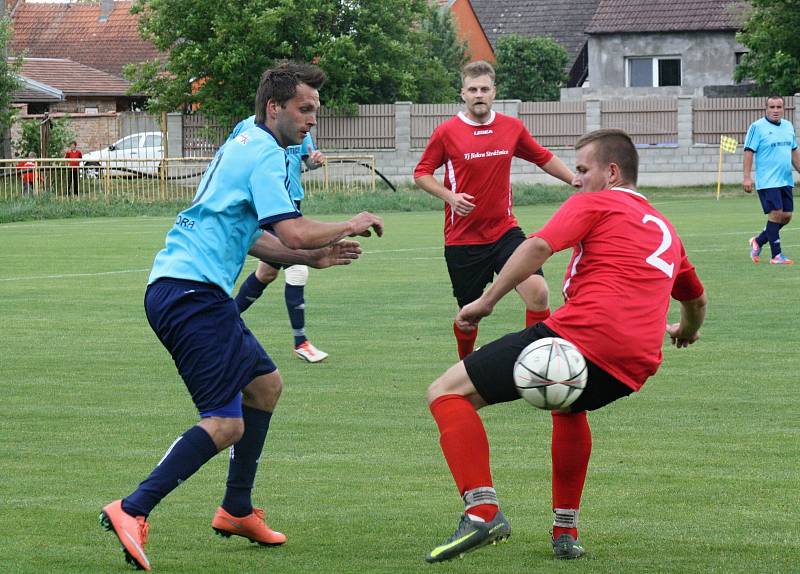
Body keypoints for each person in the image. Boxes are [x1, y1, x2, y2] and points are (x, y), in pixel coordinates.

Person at [99, 61, 383, 572]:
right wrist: (351, 222)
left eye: (315, 110)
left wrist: (312, 259)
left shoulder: (245, 136)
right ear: (274, 107)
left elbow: (254, 236)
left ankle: (235, 508)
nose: (311, 120)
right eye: (304, 109)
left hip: (184, 288)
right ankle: (132, 507)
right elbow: (291, 232)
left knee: (265, 386)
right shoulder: (267, 158)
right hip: (190, 295)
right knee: (225, 423)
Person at [424, 129, 707, 563]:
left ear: (611, 173)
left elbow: (537, 246)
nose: (575, 180)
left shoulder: (596, 202)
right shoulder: (666, 229)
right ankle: (566, 530)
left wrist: (486, 301)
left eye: (581, 170)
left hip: (584, 335)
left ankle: (482, 511)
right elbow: (695, 298)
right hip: (633, 367)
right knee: (570, 406)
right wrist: (685, 331)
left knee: (445, 392)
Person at [414, 60, 574, 361]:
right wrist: (450, 197)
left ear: (494, 92)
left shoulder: (511, 128)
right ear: (463, 93)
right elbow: (421, 173)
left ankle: (537, 360)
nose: (479, 94)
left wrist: (575, 180)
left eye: (484, 89)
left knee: (538, 293)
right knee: (468, 315)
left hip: (504, 232)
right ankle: (466, 363)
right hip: (463, 239)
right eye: (472, 89)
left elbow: (542, 157)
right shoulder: (446, 132)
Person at [231, 116, 329, 362]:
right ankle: (301, 342)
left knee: (266, 274)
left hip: (291, 203)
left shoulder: (300, 126)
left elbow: (308, 161)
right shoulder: (247, 127)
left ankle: (223, 321)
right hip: (267, 205)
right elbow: (230, 160)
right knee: (298, 268)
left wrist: (315, 162)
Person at [744, 95, 800, 265]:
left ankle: (759, 241)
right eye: (772, 107)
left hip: (785, 180)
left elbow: (793, 152)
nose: (775, 110)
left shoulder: (788, 126)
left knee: (786, 216)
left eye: (779, 107)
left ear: (783, 109)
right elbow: (748, 151)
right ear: (766, 109)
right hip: (768, 181)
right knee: (776, 213)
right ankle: (776, 255)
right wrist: (747, 177)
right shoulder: (757, 127)